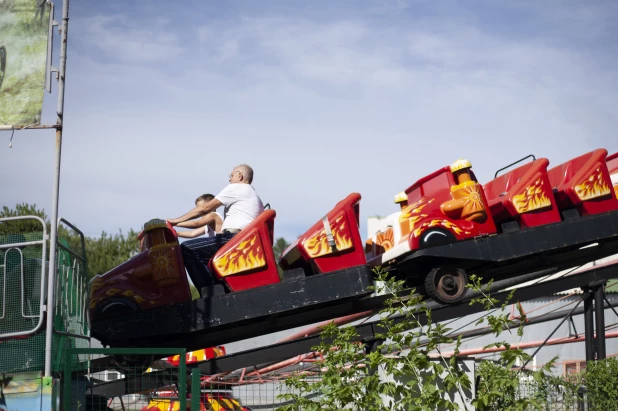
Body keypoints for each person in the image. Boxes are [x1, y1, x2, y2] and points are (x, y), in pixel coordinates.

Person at [168, 164, 264, 294]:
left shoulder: (237, 188)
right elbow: (194, 232)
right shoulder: (253, 195)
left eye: (231, 175)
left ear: (239, 176)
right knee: (203, 254)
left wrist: (175, 221)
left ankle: (211, 294)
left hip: (235, 239)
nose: (229, 179)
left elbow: (204, 209)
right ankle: (221, 289)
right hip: (244, 240)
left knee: (188, 248)